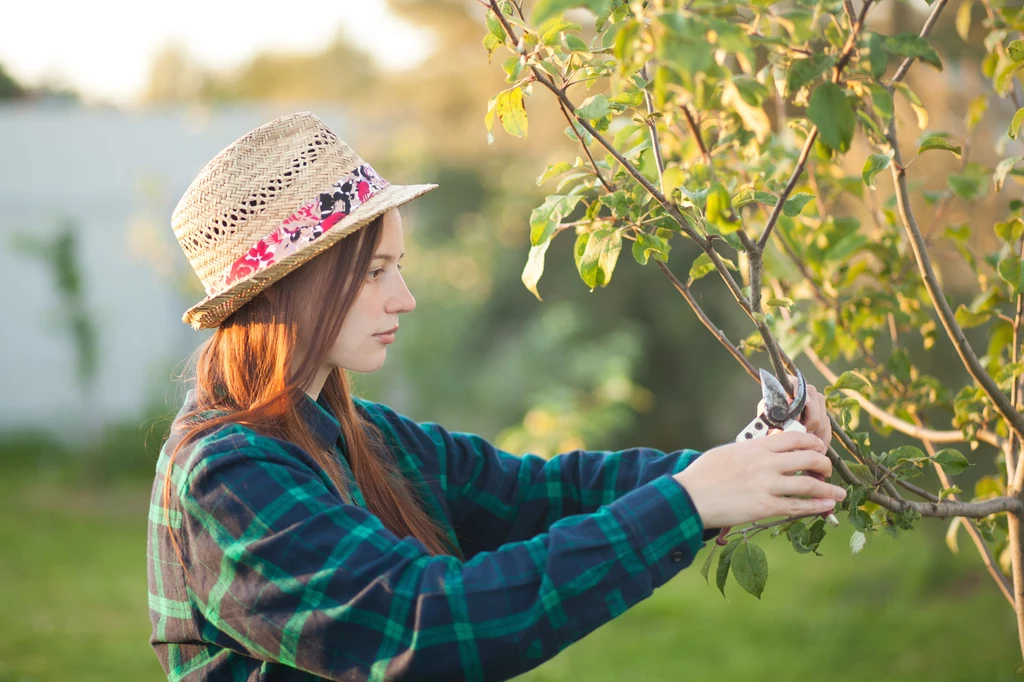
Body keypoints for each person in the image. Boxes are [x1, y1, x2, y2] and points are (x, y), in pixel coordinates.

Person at [147, 111, 847, 682]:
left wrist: (746, 459)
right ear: (291, 287)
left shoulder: (357, 436)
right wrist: (689, 502)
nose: (405, 298)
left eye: (400, 268)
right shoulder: (229, 476)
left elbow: (541, 494)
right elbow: (431, 627)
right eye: (375, 273)